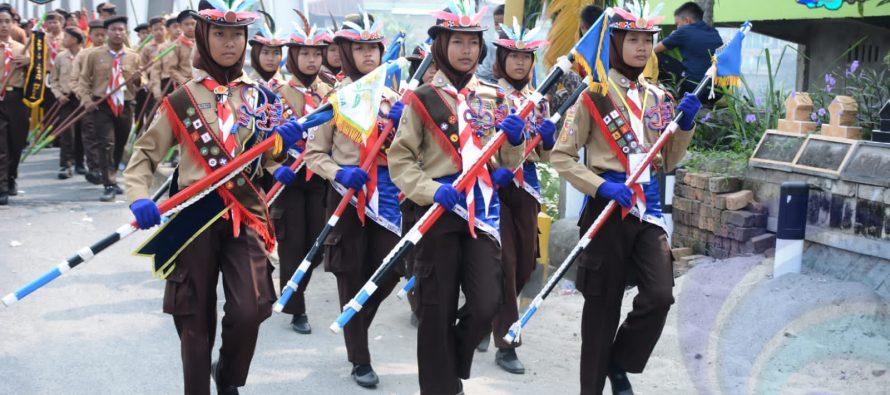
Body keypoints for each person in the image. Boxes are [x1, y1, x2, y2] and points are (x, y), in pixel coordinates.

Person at [123, 1, 299, 393]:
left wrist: (281, 149)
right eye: (219, 33)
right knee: (194, 317)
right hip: (194, 217)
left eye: (237, 34)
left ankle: (229, 377)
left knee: (251, 309)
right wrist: (139, 198)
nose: (230, 43)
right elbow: (145, 156)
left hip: (245, 214)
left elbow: (266, 158)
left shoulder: (262, 97)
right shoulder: (181, 100)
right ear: (203, 36)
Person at [549, 8, 703, 395]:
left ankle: (619, 364)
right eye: (632, 40)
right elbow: (561, 157)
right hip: (607, 209)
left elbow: (666, 160)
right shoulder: (593, 95)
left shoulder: (659, 97)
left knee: (660, 295)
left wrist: (684, 126)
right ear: (615, 44)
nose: (642, 48)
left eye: (647, 40)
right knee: (602, 309)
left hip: (647, 209)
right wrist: (600, 186)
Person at [388, 3, 527, 393]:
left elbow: (508, 157)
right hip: (438, 210)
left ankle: (448, 363)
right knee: (437, 308)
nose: (466, 50)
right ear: (441, 45)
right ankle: (441, 386)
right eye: (458, 42)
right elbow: (400, 159)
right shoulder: (421, 98)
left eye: (473, 42)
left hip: (482, 212)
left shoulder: (493, 96)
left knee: (487, 302)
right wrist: (433, 190)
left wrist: (515, 141)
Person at [303, 12, 403, 388]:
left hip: (388, 198)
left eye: (372, 48)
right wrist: (338, 172)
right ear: (345, 52)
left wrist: (406, 124)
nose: (367, 55)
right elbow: (314, 154)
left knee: (391, 268)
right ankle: (360, 358)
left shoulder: (396, 99)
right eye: (359, 48)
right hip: (346, 197)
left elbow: (410, 152)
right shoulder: (335, 99)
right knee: (351, 275)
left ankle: (354, 321)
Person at [482, 20, 557, 375]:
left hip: (526, 188)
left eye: (526, 57)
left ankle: (478, 315)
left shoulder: (538, 99)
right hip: (493, 187)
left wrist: (548, 139)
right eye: (513, 56)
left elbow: (542, 155)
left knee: (526, 264)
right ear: (501, 58)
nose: (520, 64)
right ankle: (507, 343)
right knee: (507, 263)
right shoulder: (484, 94)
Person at [268, 11, 332, 335]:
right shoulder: (276, 91)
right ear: (293, 55)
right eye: (304, 53)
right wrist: (275, 166)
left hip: (320, 176)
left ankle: (292, 285)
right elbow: (262, 141)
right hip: (289, 179)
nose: (311, 59)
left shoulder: (331, 93)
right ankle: (297, 307)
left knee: (317, 245)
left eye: (316, 53)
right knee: (292, 244)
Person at [74, 15, 141, 202]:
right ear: (107, 33)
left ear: (125, 32)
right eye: (113, 30)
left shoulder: (133, 56)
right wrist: (86, 101)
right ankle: (109, 183)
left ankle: (112, 176)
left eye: (121, 30)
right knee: (107, 143)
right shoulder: (94, 54)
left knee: (120, 143)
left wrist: (137, 77)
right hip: (101, 104)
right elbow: (84, 80)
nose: (117, 33)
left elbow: (139, 83)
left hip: (125, 104)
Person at [654, 2, 722, 95]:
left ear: (687, 20)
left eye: (677, 23)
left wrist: (672, 35)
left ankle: (669, 92)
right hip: (716, 90)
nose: (677, 27)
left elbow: (654, 50)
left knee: (656, 57)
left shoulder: (684, 31)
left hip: (693, 87)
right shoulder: (714, 32)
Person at [0, 4, 29, 205]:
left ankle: (11, 177)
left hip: (18, 99)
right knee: (1, 145)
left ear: (13, 24)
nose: (3, 25)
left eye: (7, 22)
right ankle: (1, 186)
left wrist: (29, 63)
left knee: (16, 143)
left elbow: (36, 78)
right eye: (0, 22)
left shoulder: (21, 50)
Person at [50, 26, 85, 180]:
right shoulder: (60, 57)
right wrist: (58, 95)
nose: (63, 40)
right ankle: (65, 165)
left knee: (82, 132)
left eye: (66, 37)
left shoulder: (87, 55)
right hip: (65, 99)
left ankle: (80, 163)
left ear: (75, 39)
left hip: (82, 98)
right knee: (66, 133)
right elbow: (53, 80)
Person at [475, 4, 504, 83]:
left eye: (503, 23)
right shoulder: (493, 44)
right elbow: (483, 72)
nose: (499, 27)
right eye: (496, 24)